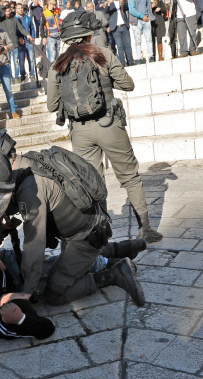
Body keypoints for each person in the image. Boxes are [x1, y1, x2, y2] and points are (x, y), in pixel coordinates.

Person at [47, 10, 163, 243]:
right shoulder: (103, 54)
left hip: (79, 131)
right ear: (89, 35)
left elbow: (52, 105)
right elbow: (128, 85)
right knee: (129, 177)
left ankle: (101, 235)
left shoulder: (56, 65)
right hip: (109, 124)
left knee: (92, 182)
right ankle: (145, 230)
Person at [3, 147, 148, 307]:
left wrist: (27, 291)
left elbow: (34, 246)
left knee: (53, 294)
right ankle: (118, 249)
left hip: (85, 238)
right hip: (88, 227)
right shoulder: (30, 161)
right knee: (70, 262)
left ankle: (115, 274)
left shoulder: (30, 189)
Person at [0, 6, 30, 84]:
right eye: (6, 11)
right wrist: (2, 6)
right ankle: (10, 77)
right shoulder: (1, 21)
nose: (8, 12)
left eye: (9, 10)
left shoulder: (15, 20)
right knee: (8, 61)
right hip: (6, 45)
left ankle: (16, 77)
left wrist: (27, 35)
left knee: (16, 62)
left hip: (15, 43)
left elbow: (21, 28)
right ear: (4, 12)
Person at [106, 0, 134, 66]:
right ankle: (122, 63)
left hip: (124, 26)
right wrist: (109, 4)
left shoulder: (122, 1)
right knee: (120, 47)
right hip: (116, 28)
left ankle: (130, 61)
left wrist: (123, 3)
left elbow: (127, 7)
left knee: (128, 45)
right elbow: (106, 11)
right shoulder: (110, 3)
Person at [15, 3, 36, 81]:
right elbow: (14, 31)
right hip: (20, 42)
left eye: (21, 8)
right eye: (19, 8)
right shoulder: (15, 19)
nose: (20, 9)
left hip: (28, 41)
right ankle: (23, 74)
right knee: (21, 60)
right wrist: (19, 38)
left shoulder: (28, 18)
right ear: (16, 10)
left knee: (31, 59)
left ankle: (32, 74)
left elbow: (32, 28)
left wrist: (33, 37)